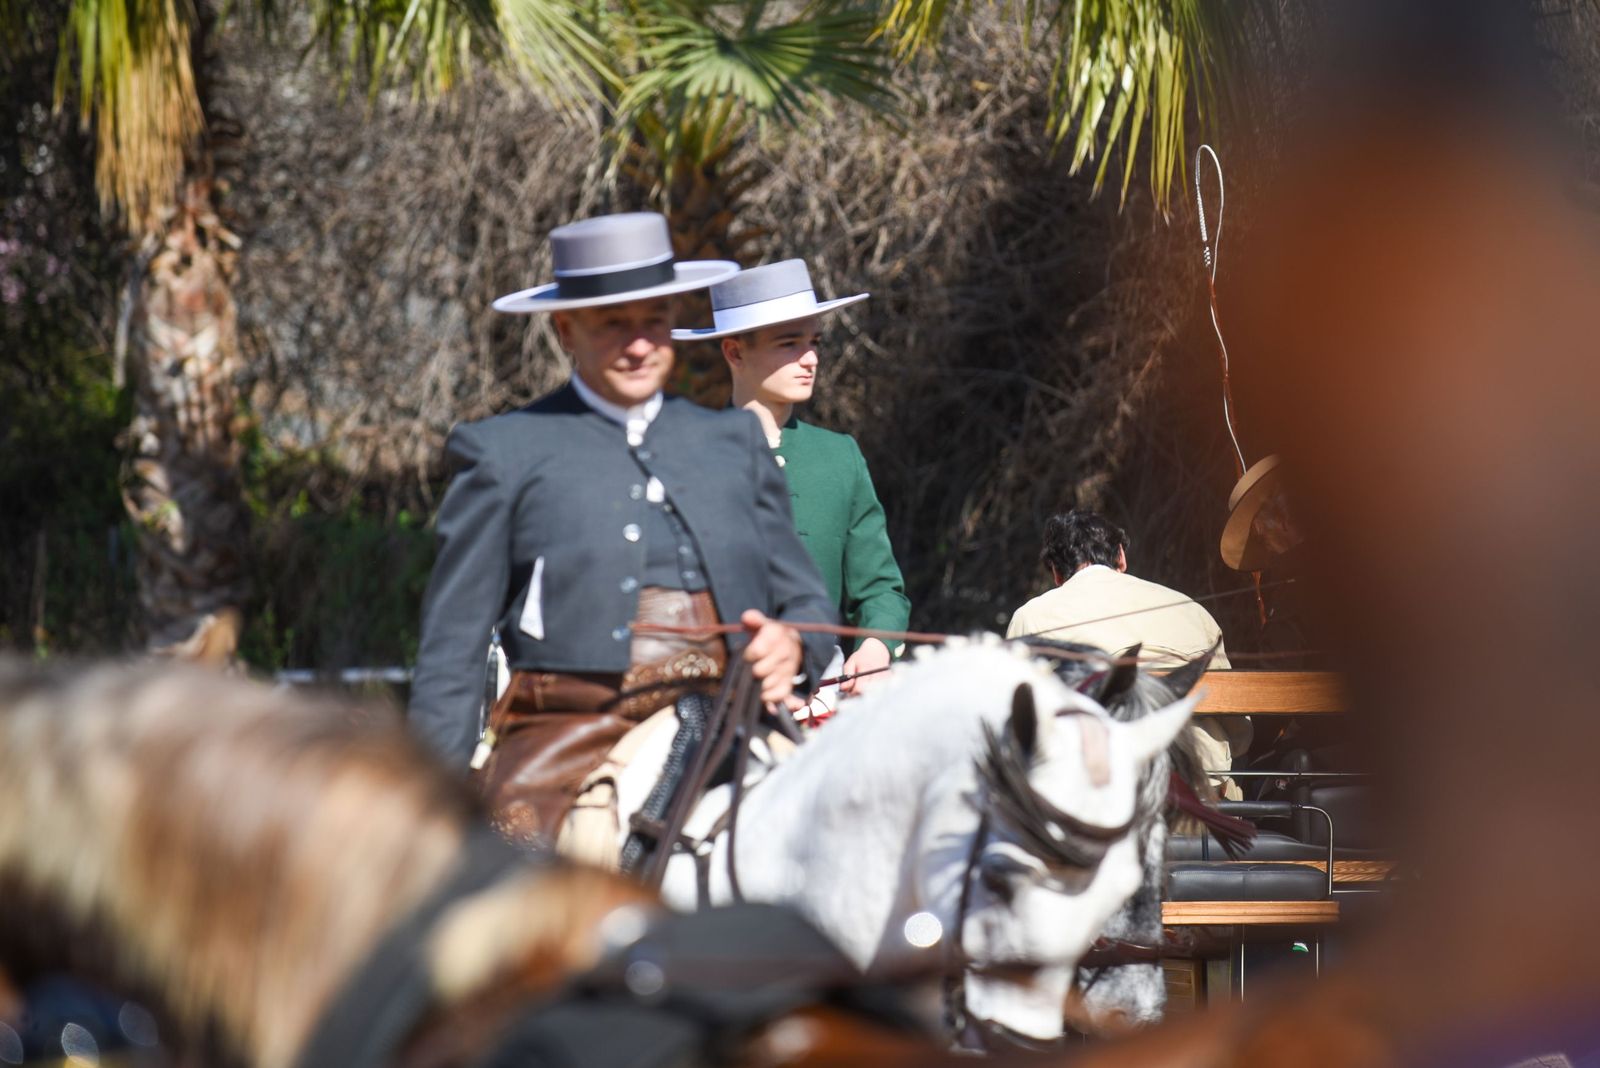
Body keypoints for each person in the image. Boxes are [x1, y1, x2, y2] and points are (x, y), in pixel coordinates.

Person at [407, 212, 838, 845]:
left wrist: (795, 644)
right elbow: (453, 650)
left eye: (654, 320)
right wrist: (426, 797)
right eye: (613, 324)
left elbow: (805, 602)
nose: (639, 344)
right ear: (565, 329)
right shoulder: (505, 452)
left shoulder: (733, 441)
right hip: (572, 734)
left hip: (733, 722)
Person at [674, 259, 910, 704]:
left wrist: (876, 645)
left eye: (814, 342)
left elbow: (879, 587)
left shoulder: (839, 457)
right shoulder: (683, 457)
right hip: (707, 699)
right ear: (734, 352)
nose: (811, 359)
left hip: (824, 698)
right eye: (789, 344)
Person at [1005, 509, 1246, 797]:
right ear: (1121, 556)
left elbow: (1016, 728)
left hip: (1093, 793)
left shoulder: (1031, 617)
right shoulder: (1192, 611)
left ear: (1057, 573)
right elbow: (1239, 728)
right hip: (1197, 794)